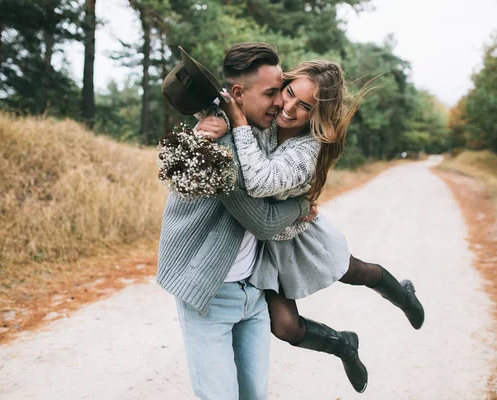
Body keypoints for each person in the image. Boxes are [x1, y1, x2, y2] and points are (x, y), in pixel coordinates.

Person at [197, 58, 425, 393]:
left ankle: (402, 293)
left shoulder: (308, 149)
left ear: (317, 113)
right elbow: (234, 103)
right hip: (265, 242)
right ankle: (343, 345)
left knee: (354, 271)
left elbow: (261, 182)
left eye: (304, 106)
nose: (288, 107)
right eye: (288, 93)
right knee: (286, 327)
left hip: (299, 233)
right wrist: (216, 120)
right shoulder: (269, 113)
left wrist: (238, 125)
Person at [157, 43, 314, 400]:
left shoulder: (256, 130)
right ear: (239, 94)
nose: (281, 104)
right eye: (272, 93)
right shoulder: (220, 145)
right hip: (209, 293)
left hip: (253, 293)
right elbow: (262, 221)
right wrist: (302, 206)